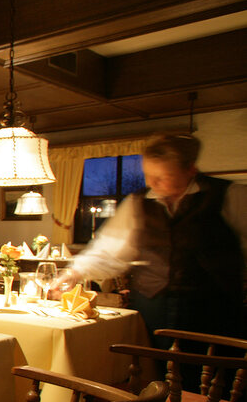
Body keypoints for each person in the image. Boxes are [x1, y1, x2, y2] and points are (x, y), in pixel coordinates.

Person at [51, 134, 247, 345]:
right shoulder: (138, 202)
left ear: (190, 170)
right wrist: (74, 272)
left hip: (214, 311)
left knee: (208, 375)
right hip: (153, 309)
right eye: (148, 175)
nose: (152, 183)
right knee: (153, 372)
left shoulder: (230, 195)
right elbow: (110, 250)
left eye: (163, 176)